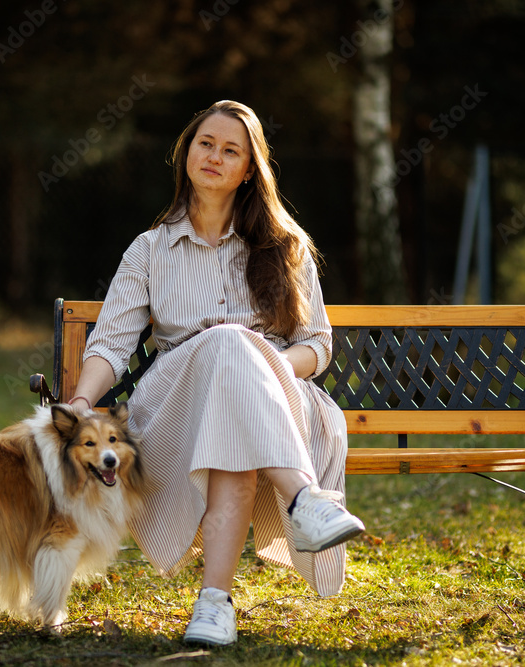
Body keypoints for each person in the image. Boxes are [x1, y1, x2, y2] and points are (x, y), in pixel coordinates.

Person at [67, 100, 365, 647]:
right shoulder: (150, 250)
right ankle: (305, 501)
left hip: (272, 401)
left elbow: (317, 346)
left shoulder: (285, 246)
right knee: (228, 349)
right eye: (206, 143)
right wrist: (83, 403)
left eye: (232, 150)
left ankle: (214, 604)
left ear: (249, 169)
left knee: (235, 382)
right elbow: (110, 343)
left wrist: (261, 361)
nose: (215, 156)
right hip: (181, 401)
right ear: (187, 152)